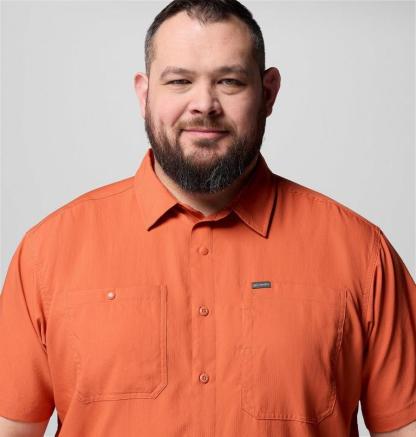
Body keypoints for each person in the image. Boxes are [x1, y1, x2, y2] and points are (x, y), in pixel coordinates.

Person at [0, 0, 415, 436]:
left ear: (268, 93)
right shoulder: (48, 252)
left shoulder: (362, 253)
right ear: (144, 95)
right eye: (179, 81)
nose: (204, 104)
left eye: (229, 81)